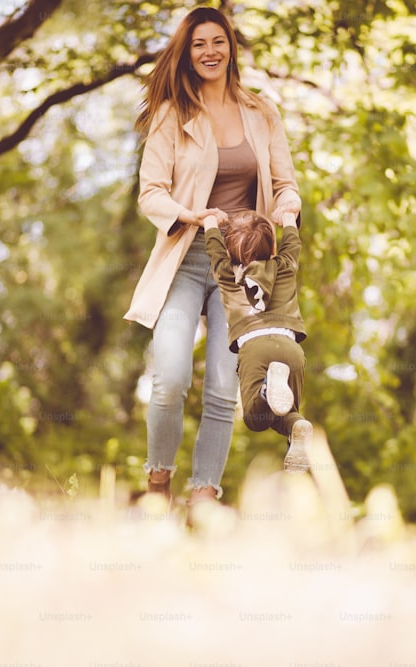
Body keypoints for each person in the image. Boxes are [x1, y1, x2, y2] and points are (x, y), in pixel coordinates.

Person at [123, 6, 302, 503]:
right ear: (187, 52)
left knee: (225, 387)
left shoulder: (262, 112)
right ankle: (159, 482)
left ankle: (204, 498)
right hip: (187, 258)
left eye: (217, 42)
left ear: (231, 48)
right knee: (171, 378)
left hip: (244, 270)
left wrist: (287, 206)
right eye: (199, 44)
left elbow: (285, 183)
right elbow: (150, 193)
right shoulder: (172, 113)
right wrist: (194, 214)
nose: (209, 52)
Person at [202, 209, 311, 472]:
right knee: (285, 410)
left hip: (254, 347)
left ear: (230, 253)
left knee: (256, 417)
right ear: (273, 246)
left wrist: (210, 224)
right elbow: (293, 244)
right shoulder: (284, 266)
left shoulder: (228, 275)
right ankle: (297, 427)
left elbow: (214, 253)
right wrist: (287, 219)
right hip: (290, 348)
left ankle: (266, 389)